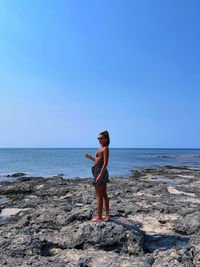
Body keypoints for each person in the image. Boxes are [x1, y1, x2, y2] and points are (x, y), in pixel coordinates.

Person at [85, 130, 110, 222]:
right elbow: (98, 161)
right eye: (98, 138)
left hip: (100, 172)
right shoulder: (101, 148)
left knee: (99, 195)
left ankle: (99, 217)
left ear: (106, 139)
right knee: (103, 194)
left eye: (101, 138)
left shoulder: (105, 149)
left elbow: (105, 163)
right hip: (97, 170)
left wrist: (100, 175)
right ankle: (106, 215)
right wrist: (91, 157)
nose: (99, 140)